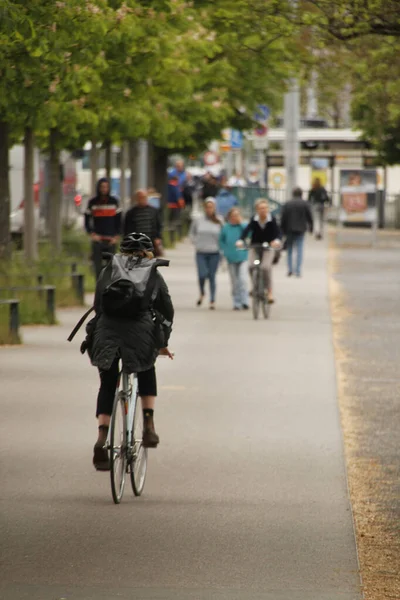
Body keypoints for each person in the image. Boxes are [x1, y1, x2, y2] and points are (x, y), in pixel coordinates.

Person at [85, 233, 174, 471]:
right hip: (140, 332)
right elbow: (166, 310)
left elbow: (98, 306)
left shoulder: (108, 270)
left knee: (107, 382)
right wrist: (162, 342)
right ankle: (148, 424)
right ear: (149, 253)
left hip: (108, 331)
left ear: (121, 252)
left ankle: (102, 437)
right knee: (146, 366)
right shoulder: (153, 272)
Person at [238, 199, 281, 303]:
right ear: (257, 210)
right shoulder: (254, 219)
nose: (263, 210)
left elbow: (278, 232)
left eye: (265, 208)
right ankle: (255, 287)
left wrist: (276, 241)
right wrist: (240, 240)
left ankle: (269, 292)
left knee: (265, 267)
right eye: (261, 208)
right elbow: (247, 230)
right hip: (256, 246)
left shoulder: (272, 219)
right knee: (252, 266)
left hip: (268, 247)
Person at [84, 178, 122, 279]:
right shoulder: (93, 202)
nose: (104, 189)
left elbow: (119, 221)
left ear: (109, 188)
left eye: (106, 187)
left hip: (111, 239)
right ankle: (99, 286)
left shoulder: (114, 202)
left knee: (111, 266)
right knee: (97, 266)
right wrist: (92, 234)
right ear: (98, 188)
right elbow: (87, 220)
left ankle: (110, 287)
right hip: (98, 239)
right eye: (102, 187)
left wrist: (116, 236)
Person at [189, 198, 222, 310]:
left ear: (214, 208)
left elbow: (223, 235)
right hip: (201, 252)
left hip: (214, 252)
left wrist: (222, 247)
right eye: (207, 207)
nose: (209, 209)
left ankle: (212, 300)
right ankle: (202, 292)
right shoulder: (198, 220)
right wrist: (195, 242)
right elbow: (192, 232)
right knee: (202, 274)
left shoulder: (219, 220)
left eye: (211, 207)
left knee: (212, 276)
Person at [219, 208, 249, 310]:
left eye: (237, 215)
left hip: (242, 256)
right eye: (233, 215)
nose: (235, 217)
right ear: (230, 217)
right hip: (231, 257)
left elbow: (249, 234)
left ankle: (245, 300)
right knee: (234, 281)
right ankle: (236, 301)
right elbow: (221, 240)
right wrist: (225, 250)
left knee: (243, 279)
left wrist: (241, 223)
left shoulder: (243, 226)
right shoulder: (226, 227)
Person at [281, 187, 314, 278]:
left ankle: (290, 269)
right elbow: (309, 216)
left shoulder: (287, 204)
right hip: (301, 229)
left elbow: (283, 217)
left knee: (290, 250)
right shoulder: (305, 204)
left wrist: (282, 230)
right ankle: (298, 270)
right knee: (299, 249)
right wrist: (311, 227)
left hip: (289, 229)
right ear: (301, 194)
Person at [123, 189, 163, 256]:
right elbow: (126, 229)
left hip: (151, 242)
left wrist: (158, 238)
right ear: (137, 199)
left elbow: (158, 225)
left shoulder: (153, 211)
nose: (142, 199)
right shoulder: (131, 213)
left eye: (144, 197)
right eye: (140, 197)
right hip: (136, 243)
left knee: (150, 263)